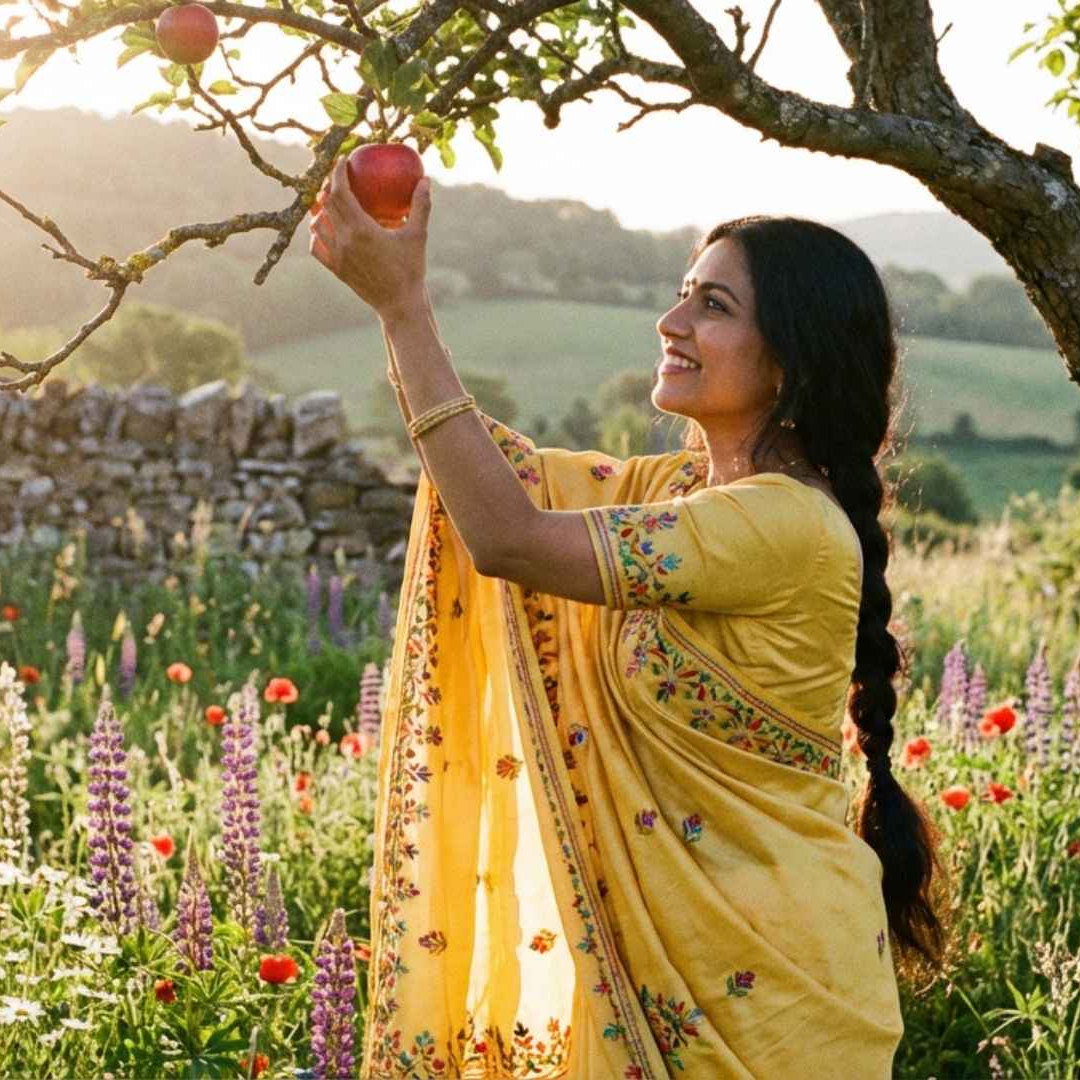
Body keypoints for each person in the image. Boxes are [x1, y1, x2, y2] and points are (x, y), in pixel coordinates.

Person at [307, 152, 944, 1078]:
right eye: (685, 292)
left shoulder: (778, 524)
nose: (671, 321)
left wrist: (405, 308)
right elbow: (498, 475)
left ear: (792, 362)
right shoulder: (690, 491)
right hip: (679, 976)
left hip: (768, 1007)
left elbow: (511, 537)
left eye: (714, 307)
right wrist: (388, 285)